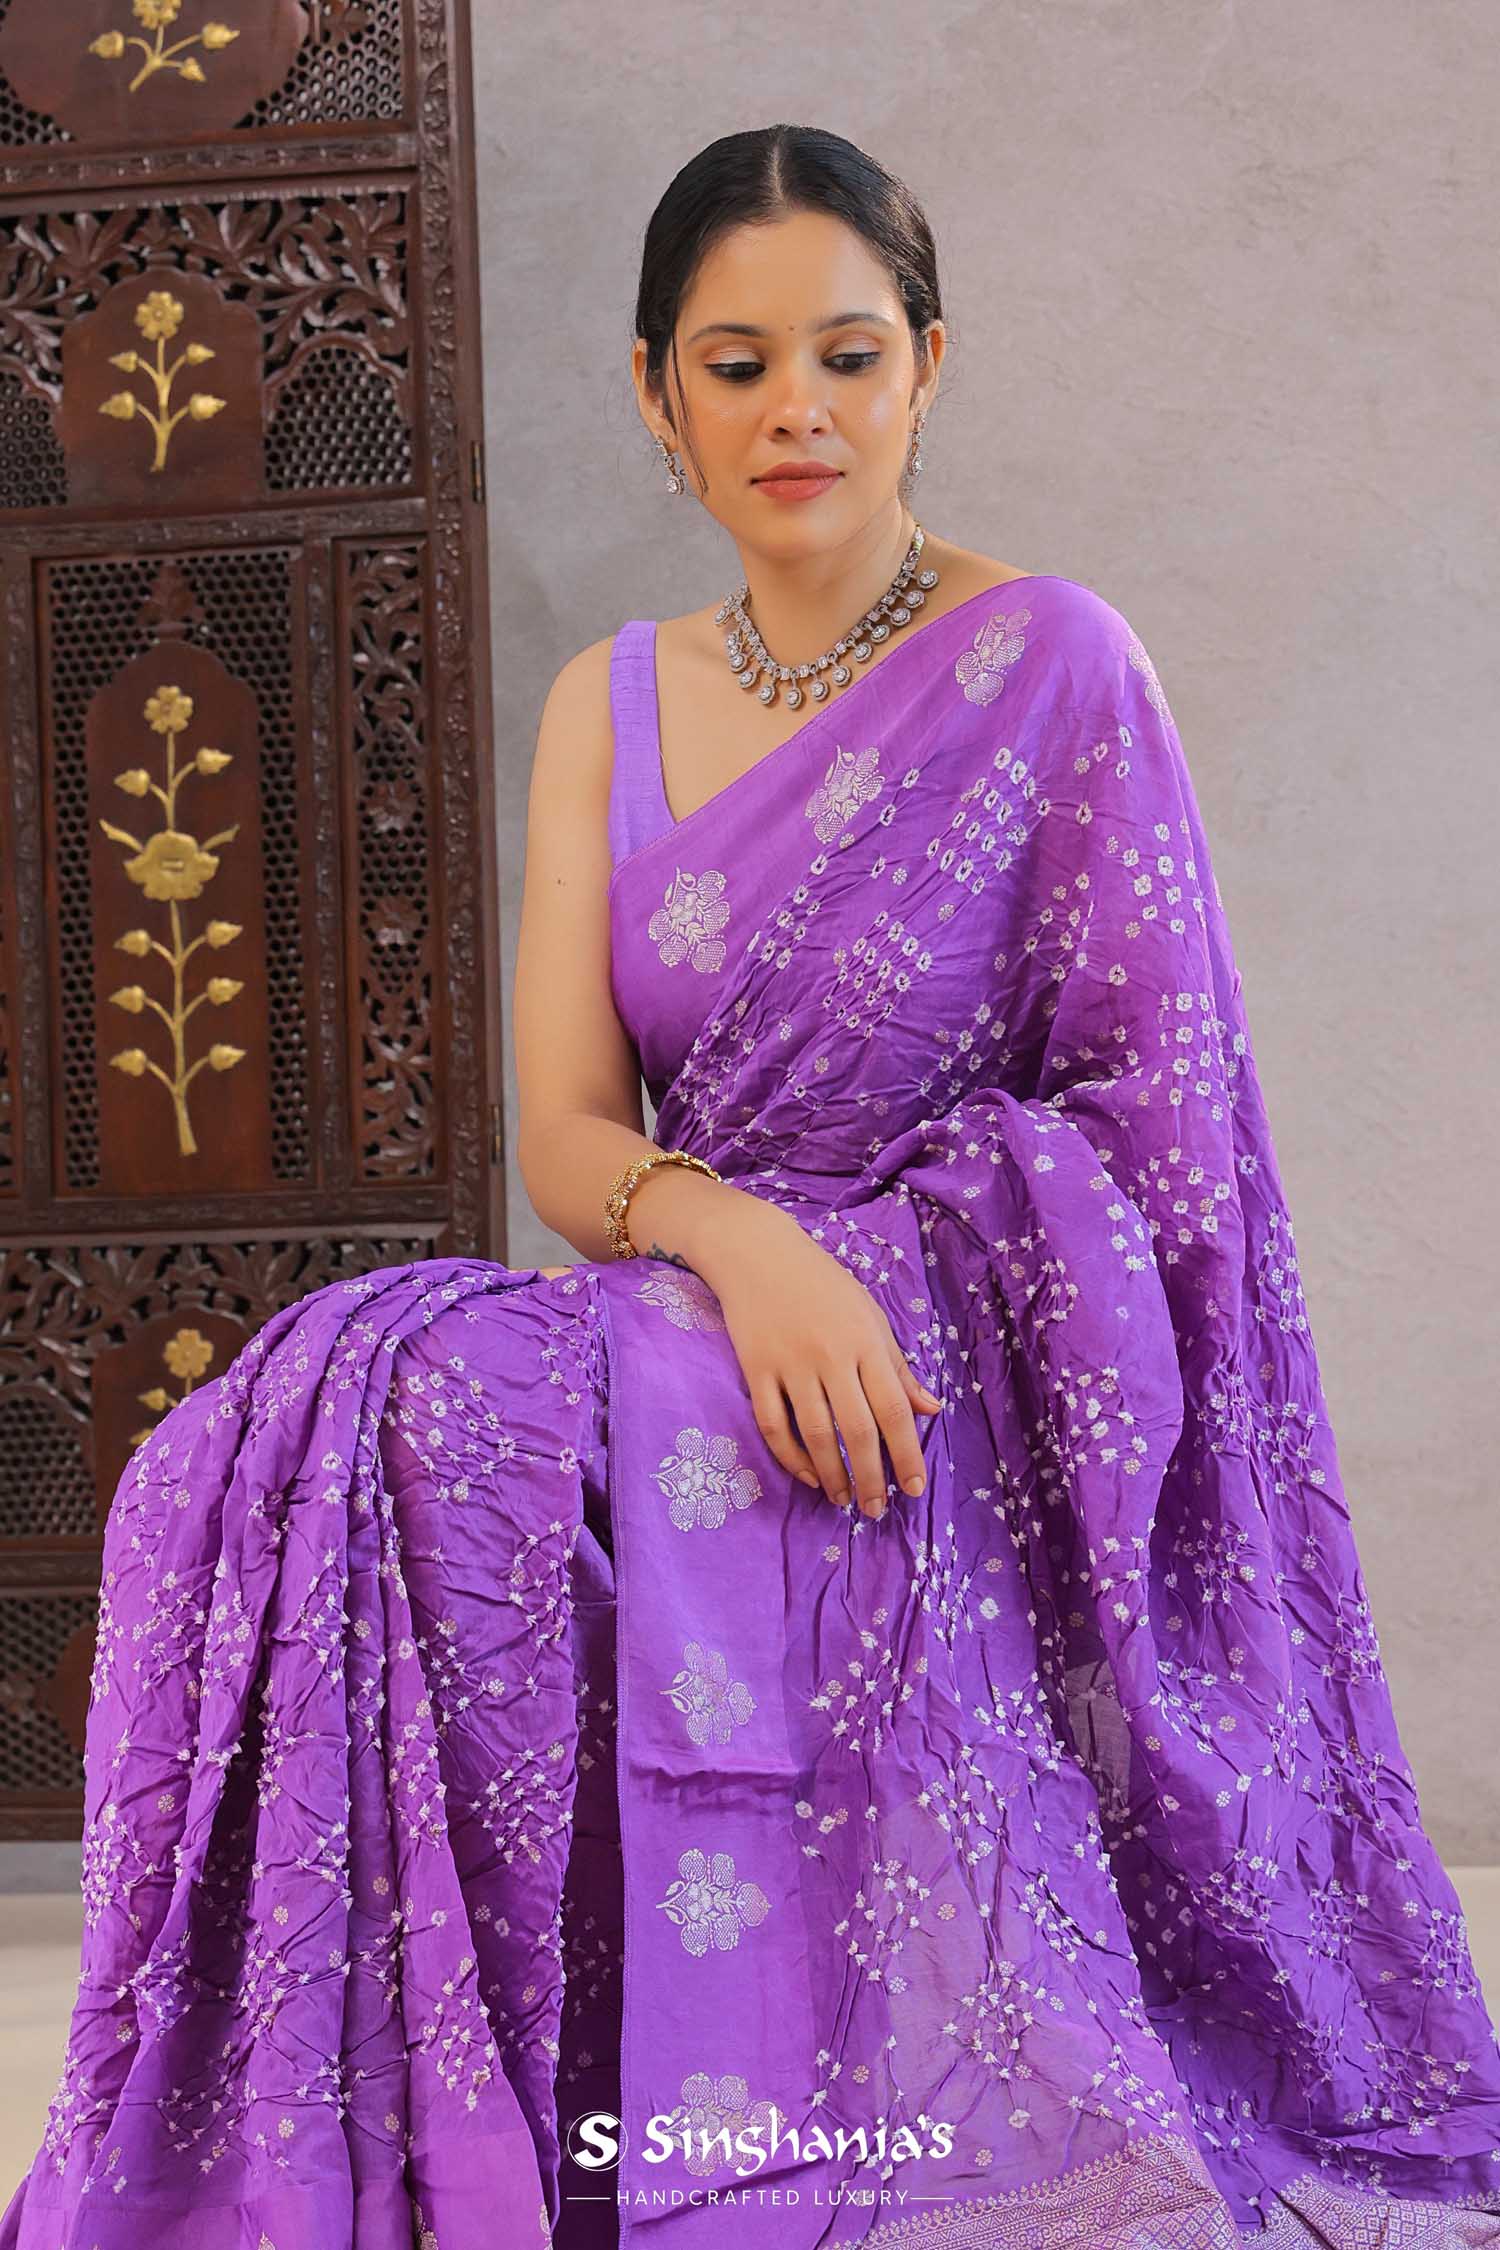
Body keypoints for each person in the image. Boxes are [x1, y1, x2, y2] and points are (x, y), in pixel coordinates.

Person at [5, 120, 1498, 2250]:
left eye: (847, 355)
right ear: (657, 393)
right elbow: (566, 1133)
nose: (796, 408)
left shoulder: (1055, 662)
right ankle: (426, 2128)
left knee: (447, 1414)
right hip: (705, 1285)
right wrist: (739, 1237)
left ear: (927, 367)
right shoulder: (608, 704)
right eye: (736, 364)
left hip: (955, 1346)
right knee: (322, 1418)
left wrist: (881, 1263)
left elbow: (1157, 1139)